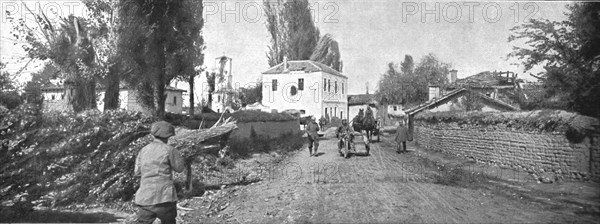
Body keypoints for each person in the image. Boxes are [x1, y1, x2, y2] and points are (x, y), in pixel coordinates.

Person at [134, 121, 185, 224]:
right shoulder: (170, 150)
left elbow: (137, 172)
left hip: (145, 198)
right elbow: (179, 168)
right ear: (169, 136)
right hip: (165, 198)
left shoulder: (143, 151)